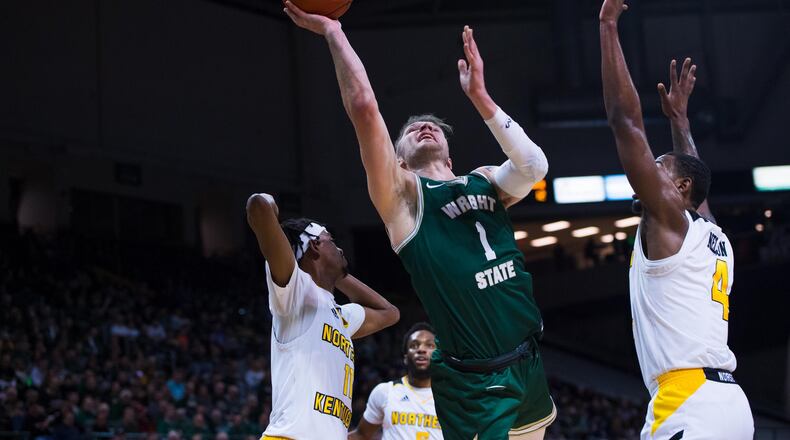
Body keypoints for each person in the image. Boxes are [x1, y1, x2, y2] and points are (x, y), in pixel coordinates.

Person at [283, 4, 555, 439]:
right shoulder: (404, 200)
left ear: (450, 154)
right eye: (411, 130)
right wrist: (333, 32)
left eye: (432, 127)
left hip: (528, 360)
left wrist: (482, 100)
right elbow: (364, 108)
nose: (424, 126)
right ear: (398, 161)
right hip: (475, 380)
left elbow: (534, 167)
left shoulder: (484, 181)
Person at [598, 1, 754, 439]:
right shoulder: (711, 233)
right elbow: (694, 178)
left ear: (678, 191)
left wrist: (607, 25)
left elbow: (624, 121)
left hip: (687, 398)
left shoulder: (672, 220)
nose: (649, 176)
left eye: (660, 169)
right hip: (729, 403)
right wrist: (680, 121)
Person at [246, 193, 400, 440]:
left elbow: (390, 313)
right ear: (315, 245)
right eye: (331, 240)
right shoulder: (297, 290)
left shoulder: (341, 316)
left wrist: (338, 273)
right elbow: (258, 206)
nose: (339, 247)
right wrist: (271, 204)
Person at [349, 323, 443, 440]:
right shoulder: (385, 391)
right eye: (414, 345)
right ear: (405, 358)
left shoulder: (450, 398)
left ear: (439, 356)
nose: (421, 349)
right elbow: (361, 435)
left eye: (429, 345)